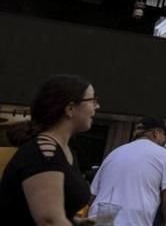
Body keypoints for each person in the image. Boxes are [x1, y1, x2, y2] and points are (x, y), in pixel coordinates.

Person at [0, 75, 98, 224]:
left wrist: (76, 221)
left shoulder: (64, 151)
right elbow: (49, 220)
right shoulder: (45, 152)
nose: (97, 106)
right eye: (92, 100)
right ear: (70, 109)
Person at [88, 117, 166, 226]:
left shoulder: (114, 153)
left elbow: (92, 197)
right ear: (156, 133)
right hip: (132, 222)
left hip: (100, 221)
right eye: (164, 135)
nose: (164, 139)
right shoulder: (164, 155)